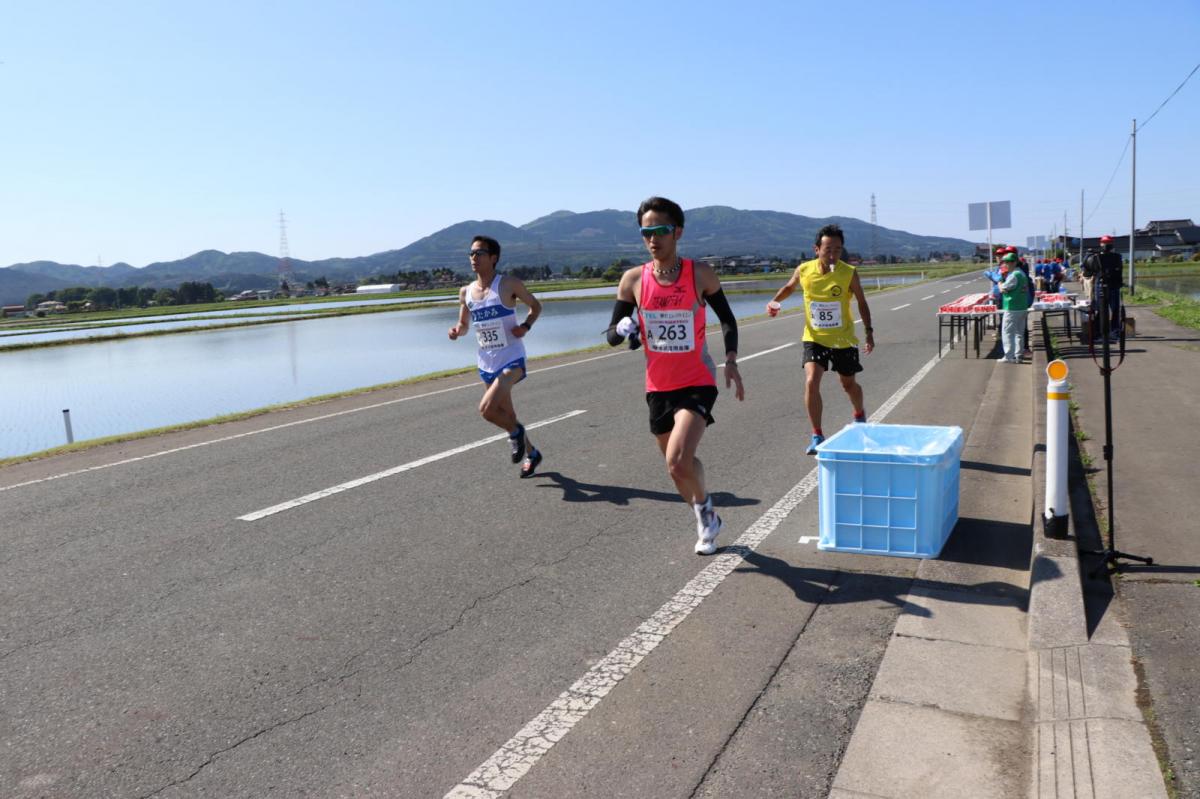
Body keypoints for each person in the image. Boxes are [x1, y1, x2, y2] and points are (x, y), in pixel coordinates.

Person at [605, 196, 745, 556]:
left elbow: (727, 319)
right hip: (658, 386)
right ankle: (706, 512)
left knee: (678, 459)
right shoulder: (633, 280)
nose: (653, 239)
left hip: (697, 380)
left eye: (661, 230)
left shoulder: (699, 274)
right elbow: (613, 337)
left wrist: (730, 357)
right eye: (646, 232)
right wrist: (624, 329)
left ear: (677, 232)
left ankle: (704, 517)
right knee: (678, 469)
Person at [765, 223, 874, 455]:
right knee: (812, 380)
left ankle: (859, 414)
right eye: (828, 249)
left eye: (838, 249)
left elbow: (862, 302)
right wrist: (775, 302)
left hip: (843, 339)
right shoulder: (804, 270)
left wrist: (869, 331)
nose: (833, 254)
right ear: (817, 249)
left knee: (848, 384)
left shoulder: (848, 272)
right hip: (814, 337)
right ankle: (817, 434)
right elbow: (789, 287)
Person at [448, 235, 544, 477]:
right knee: (508, 416)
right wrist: (457, 331)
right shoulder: (466, 292)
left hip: (512, 358)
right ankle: (532, 454)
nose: (473, 258)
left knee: (487, 410)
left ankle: (516, 434)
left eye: (479, 253)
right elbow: (464, 323)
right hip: (486, 362)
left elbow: (536, 306)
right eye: (471, 253)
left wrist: (526, 326)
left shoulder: (508, 284)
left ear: (493, 258)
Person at [1082, 234, 1124, 341]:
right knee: (1114, 310)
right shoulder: (1117, 257)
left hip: (1101, 285)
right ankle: (1114, 332)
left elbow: (1087, 273)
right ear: (1112, 245)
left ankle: (1100, 333)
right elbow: (1119, 272)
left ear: (1101, 244)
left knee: (1101, 310)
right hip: (1114, 285)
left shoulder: (1095, 257)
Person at [998, 253, 1030, 363]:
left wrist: (999, 283)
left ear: (1015, 262)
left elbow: (1003, 289)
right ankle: (1019, 355)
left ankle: (1008, 356)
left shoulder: (1013, 275)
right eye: (1005, 262)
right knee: (1019, 332)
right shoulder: (1022, 273)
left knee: (1007, 332)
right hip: (1022, 306)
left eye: (1008, 262)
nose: (1006, 264)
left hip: (1012, 307)